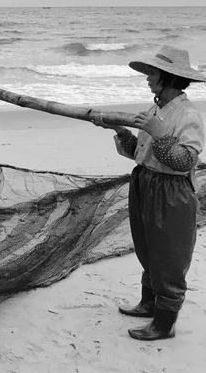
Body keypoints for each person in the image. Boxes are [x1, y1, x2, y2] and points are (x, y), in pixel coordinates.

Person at [92, 45, 205, 341]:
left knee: (169, 254)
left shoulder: (188, 114)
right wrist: (119, 130)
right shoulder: (156, 109)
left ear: (168, 77)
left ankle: (164, 324)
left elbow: (186, 161)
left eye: (152, 73)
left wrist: (159, 133)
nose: (147, 78)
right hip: (144, 182)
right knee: (146, 247)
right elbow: (139, 153)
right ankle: (149, 303)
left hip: (171, 191)